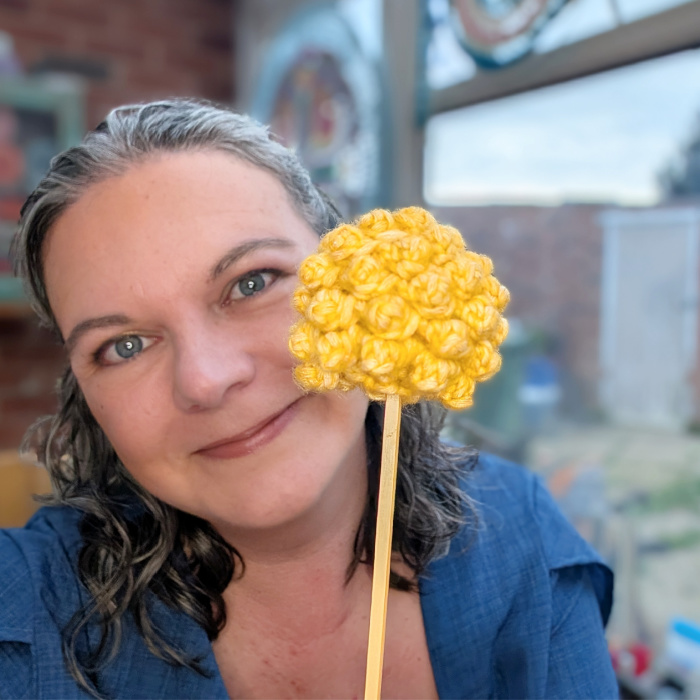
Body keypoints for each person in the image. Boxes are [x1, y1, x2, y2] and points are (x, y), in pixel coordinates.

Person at [0, 98, 618, 699]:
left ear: (356, 277)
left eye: (252, 282)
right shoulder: (25, 616)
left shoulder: (524, 540)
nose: (206, 380)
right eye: (125, 346)